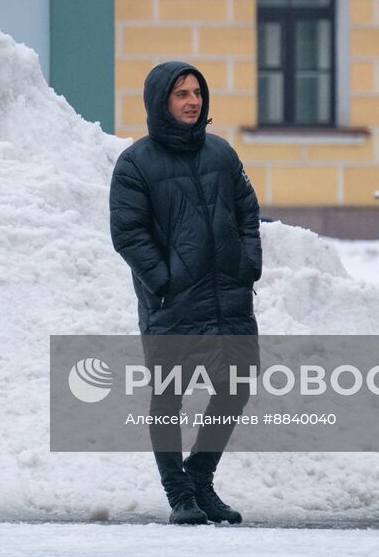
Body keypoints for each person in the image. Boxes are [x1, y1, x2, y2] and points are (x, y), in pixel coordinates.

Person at [109, 61, 263, 525]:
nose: (193, 101)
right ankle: (179, 495)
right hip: (172, 302)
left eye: (197, 92)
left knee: (235, 388)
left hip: (229, 296)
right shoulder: (136, 163)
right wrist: (165, 280)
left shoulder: (220, 153)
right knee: (169, 396)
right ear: (161, 102)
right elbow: (128, 233)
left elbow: (248, 213)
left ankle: (200, 477)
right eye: (181, 94)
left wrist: (247, 263)